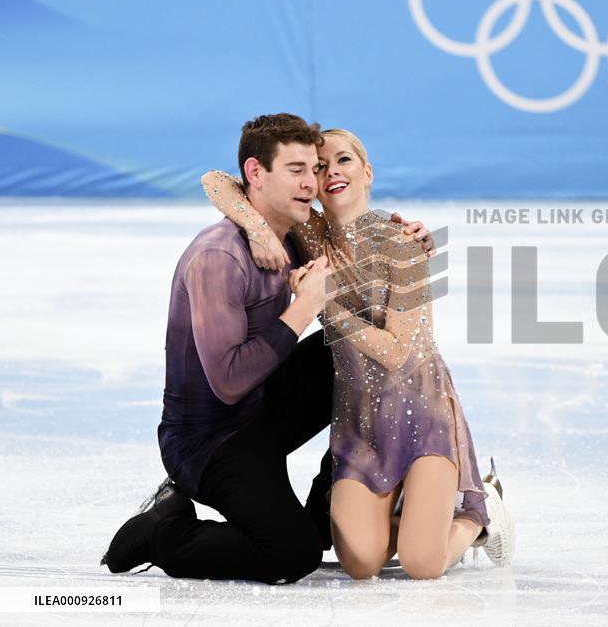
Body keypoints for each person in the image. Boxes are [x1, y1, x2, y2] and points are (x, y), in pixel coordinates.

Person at [101, 113, 437, 584]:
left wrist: (409, 238)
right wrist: (303, 307)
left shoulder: (296, 237)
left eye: (314, 170)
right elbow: (230, 383)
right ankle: (164, 529)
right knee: (291, 555)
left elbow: (226, 185)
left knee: (348, 350)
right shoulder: (218, 257)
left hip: (260, 415)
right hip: (210, 442)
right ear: (257, 174)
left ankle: (333, 499)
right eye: (296, 170)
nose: (311, 182)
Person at [200, 127, 515, 579]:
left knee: (422, 564)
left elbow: (395, 352)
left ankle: (480, 518)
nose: (330, 173)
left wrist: (322, 303)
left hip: (423, 417)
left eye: (343, 161)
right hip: (360, 423)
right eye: (319, 166)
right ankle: (411, 512)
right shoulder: (309, 234)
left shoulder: (402, 242)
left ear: (367, 172)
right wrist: (257, 229)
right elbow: (215, 180)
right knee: (362, 563)